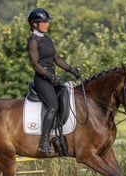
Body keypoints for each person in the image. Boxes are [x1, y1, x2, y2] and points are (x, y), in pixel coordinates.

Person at [27, 8, 81, 154]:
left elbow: (56, 58)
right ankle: (44, 141)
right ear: (35, 24)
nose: (47, 24)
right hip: (42, 79)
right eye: (44, 22)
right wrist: (50, 76)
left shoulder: (47, 39)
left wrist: (71, 70)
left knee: (66, 94)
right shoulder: (33, 41)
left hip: (52, 77)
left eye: (47, 21)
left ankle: (60, 134)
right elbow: (35, 64)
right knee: (52, 105)